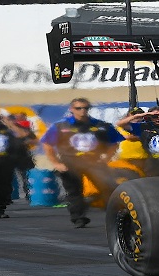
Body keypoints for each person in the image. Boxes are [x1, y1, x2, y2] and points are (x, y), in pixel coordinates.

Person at [40, 97, 123, 227]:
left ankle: (117, 216)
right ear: (71, 109)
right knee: (74, 192)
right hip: (70, 162)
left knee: (108, 187)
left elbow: (114, 142)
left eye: (86, 108)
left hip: (94, 161)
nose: (82, 111)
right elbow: (47, 144)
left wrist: (106, 158)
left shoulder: (100, 125)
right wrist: (56, 163)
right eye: (78, 108)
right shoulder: (61, 126)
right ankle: (78, 218)